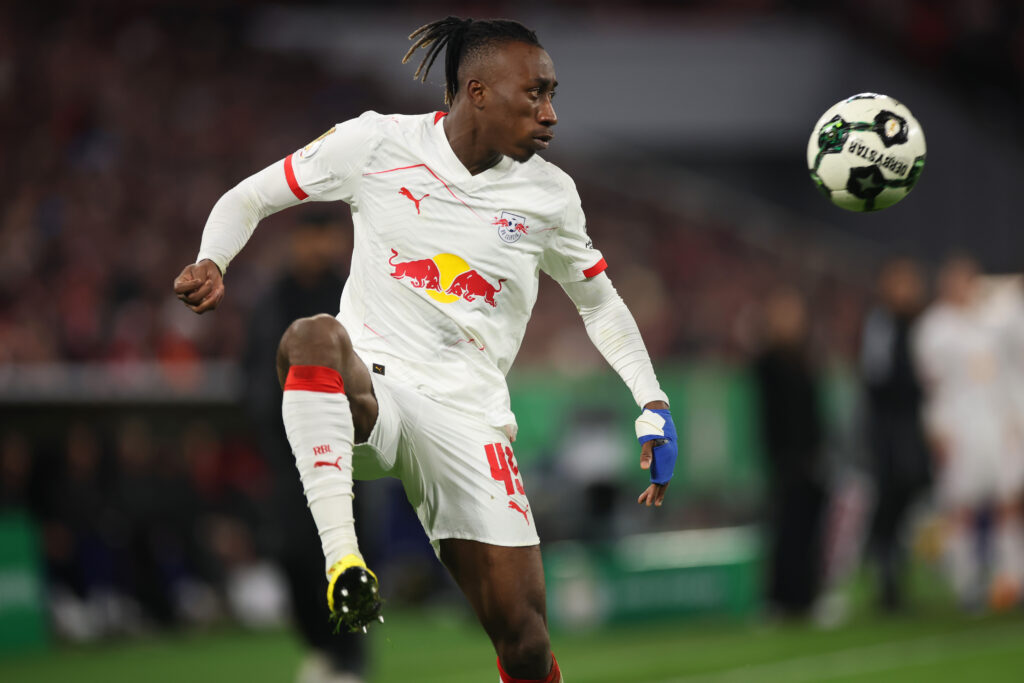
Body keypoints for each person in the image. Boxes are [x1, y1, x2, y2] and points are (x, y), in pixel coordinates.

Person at [173, 17, 677, 683]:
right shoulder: (375, 144)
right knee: (310, 337)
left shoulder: (550, 195)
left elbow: (600, 302)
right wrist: (213, 258)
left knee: (525, 642)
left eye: (553, 94)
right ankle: (343, 562)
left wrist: (651, 397)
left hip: (469, 418)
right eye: (535, 94)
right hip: (375, 392)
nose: (551, 114)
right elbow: (252, 196)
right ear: (477, 92)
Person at [241, 215, 369, 682]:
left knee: (348, 550)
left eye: (327, 235)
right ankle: (321, 645)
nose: (320, 246)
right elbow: (251, 371)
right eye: (312, 235)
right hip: (285, 455)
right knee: (292, 554)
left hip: (346, 455)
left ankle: (350, 658)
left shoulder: (352, 294)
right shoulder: (271, 302)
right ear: (297, 240)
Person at [914, 255, 1024, 610]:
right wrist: (936, 426)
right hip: (958, 426)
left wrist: (1011, 417)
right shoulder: (933, 327)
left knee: (1008, 502)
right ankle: (967, 584)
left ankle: (1012, 578)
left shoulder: (988, 321)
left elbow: (1004, 372)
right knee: (961, 506)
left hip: (995, 423)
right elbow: (931, 386)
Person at [859, 258, 931, 611]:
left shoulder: (920, 323)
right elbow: (876, 377)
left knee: (909, 491)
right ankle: (885, 571)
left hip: (912, 423)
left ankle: (892, 565)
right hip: (888, 426)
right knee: (890, 494)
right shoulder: (881, 324)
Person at [751, 286, 826, 617]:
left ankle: (807, 598)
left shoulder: (806, 360)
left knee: (808, 530)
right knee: (784, 529)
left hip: (810, 458)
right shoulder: (768, 364)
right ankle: (779, 599)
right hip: (784, 459)